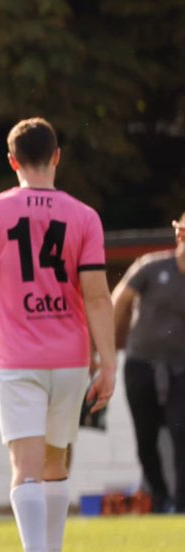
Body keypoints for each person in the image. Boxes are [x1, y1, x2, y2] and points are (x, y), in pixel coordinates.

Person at [0, 117, 116, 552]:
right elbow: (97, 297)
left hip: (17, 358)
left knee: (23, 466)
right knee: (55, 463)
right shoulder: (84, 216)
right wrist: (108, 361)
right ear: (57, 157)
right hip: (69, 358)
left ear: (12, 161)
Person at [112, 211, 185, 514]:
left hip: (181, 366)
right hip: (141, 363)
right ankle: (158, 495)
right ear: (180, 235)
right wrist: (104, 350)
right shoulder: (152, 267)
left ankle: (181, 501)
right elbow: (119, 302)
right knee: (146, 435)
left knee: (182, 430)